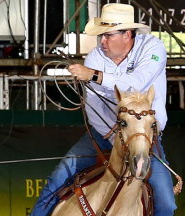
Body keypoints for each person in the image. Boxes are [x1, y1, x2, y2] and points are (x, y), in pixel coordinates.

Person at [31, 3, 176, 216]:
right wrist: (115, 138)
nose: (102, 41)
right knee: (57, 179)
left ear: (127, 34)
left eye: (108, 35)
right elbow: (93, 107)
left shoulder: (153, 49)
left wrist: (94, 75)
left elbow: (136, 83)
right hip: (104, 135)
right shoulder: (95, 58)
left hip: (144, 138)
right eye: (102, 36)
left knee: (165, 200)